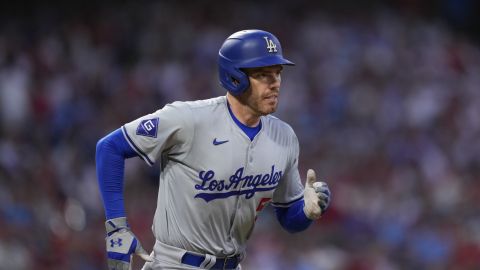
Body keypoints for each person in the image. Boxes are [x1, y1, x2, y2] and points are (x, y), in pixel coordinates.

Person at [96, 29, 331, 270]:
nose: (275, 84)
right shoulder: (189, 119)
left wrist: (306, 212)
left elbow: (289, 219)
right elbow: (110, 147)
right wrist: (117, 226)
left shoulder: (285, 137)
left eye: (277, 74)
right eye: (263, 74)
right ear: (234, 77)